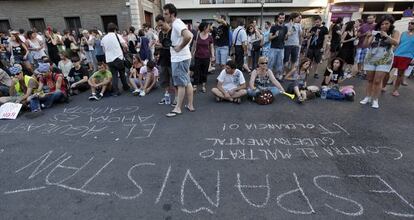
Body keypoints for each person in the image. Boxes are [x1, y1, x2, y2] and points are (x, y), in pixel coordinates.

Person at [360, 15, 400, 109]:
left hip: (385, 58)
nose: (384, 26)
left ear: (391, 24)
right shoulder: (375, 32)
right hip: (371, 57)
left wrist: (386, 36)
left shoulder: (394, 32)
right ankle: (368, 97)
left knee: (377, 80)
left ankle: (375, 99)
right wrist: (367, 37)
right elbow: (365, 45)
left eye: (387, 23)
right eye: (382, 24)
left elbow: (396, 43)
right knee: (369, 79)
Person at [163, 3, 195, 117]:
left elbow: (188, 36)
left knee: (181, 84)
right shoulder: (177, 23)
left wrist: (180, 47)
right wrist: (183, 47)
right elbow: (190, 35)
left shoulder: (176, 24)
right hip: (183, 57)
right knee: (187, 82)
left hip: (180, 58)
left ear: (172, 14)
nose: (164, 16)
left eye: (166, 14)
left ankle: (178, 108)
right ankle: (190, 105)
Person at [101, 23, 130, 96]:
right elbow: (125, 45)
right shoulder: (117, 36)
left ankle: (116, 91)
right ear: (115, 29)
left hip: (109, 59)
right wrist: (126, 49)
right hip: (118, 57)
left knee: (114, 75)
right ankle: (125, 87)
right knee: (122, 73)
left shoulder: (104, 38)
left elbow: (103, 50)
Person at [389, 19, 414, 97]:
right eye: (409, 23)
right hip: (396, 55)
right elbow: (397, 44)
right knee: (387, 69)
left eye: (412, 23)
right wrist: (391, 51)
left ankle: (395, 90)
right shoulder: (403, 33)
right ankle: (382, 86)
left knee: (400, 74)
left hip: (407, 57)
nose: (409, 24)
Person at [155, 14, 177, 106]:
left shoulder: (173, 32)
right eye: (158, 25)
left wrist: (162, 46)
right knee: (164, 79)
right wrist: (157, 51)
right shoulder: (160, 33)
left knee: (174, 79)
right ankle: (166, 95)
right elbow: (161, 45)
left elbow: (174, 46)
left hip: (173, 59)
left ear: (165, 22)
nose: (160, 27)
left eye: (161, 25)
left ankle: (177, 97)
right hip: (163, 59)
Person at [192, 22, 215, 93]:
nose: (209, 29)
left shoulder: (210, 37)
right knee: (196, 71)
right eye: (208, 27)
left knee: (204, 72)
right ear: (204, 28)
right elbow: (193, 46)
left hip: (206, 57)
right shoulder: (197, 35)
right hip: (197, 56)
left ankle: (203, 86)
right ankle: (195, 86)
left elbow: (211, 47)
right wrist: (191, 54)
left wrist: (213, 56)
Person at [268, 13, 288, 80]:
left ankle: (277, 76)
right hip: (273, 48)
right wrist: (275, 35)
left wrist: (287, 36)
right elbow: (269, 38)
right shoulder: (273, 27)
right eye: (280, 18)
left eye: (283, 18)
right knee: (271, 63)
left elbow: (285, 39)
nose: (282, 19)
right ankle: (269, 76)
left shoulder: (285, 28)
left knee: (280, 63)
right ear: (278, 18)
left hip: (281, 48)